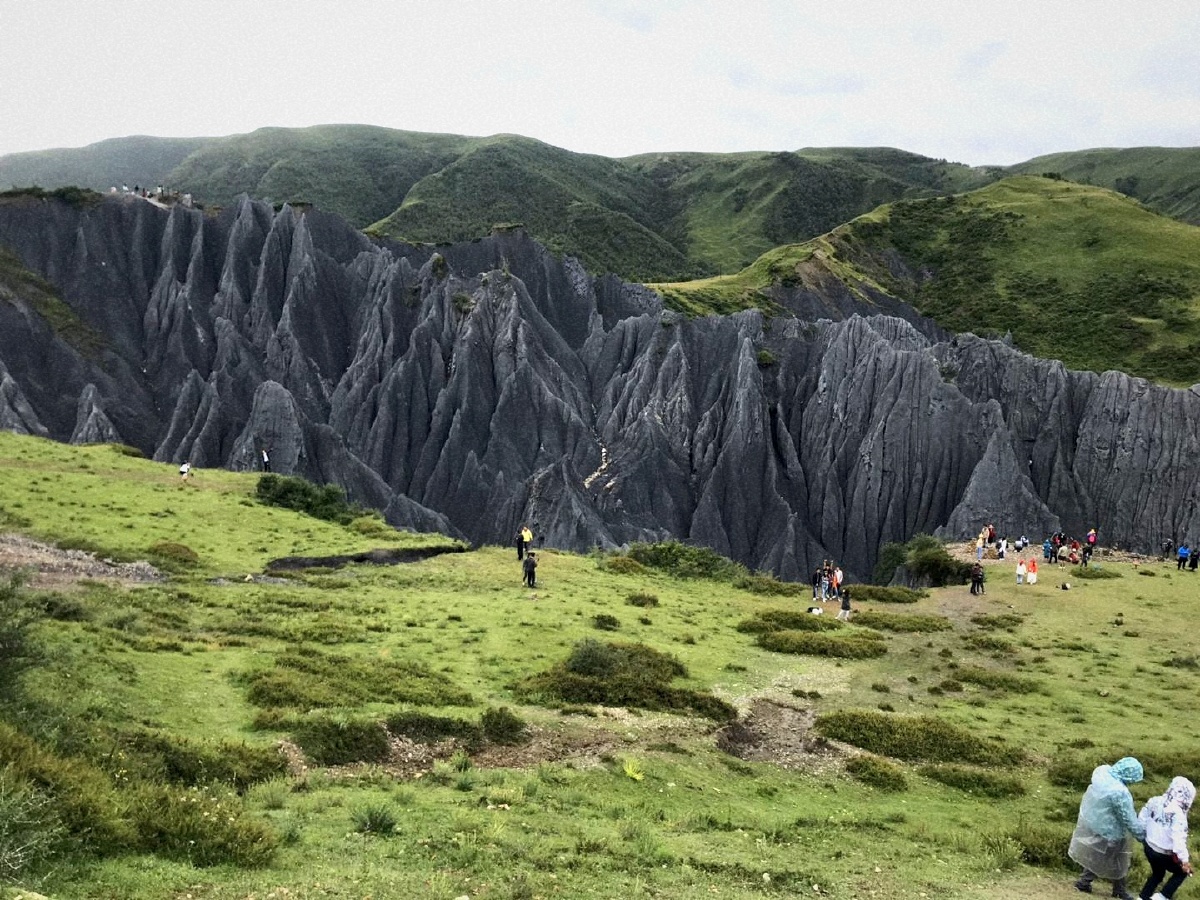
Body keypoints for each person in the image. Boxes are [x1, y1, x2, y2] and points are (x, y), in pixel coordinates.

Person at [1069, 757, 1146, 900]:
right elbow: (1128, 818)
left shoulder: (1102, 773)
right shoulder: (1120, 793)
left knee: (1103, 857)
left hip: (1096, 825)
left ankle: (1114, 888)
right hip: (1112, 832)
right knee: (1114, 859)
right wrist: (1142, 835)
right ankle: (1089, 884)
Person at [1137, 776, 1195, 900]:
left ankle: (1143, 897)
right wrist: (1184, 861)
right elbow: (1178, 839)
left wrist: (1142, 837)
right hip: (1165, 853)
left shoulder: (1155, 801)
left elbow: (1142, 819)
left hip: (1149, 847)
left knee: (1158, 874)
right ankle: (1161, 897)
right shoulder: (1178, 814)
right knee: (1182, 873)